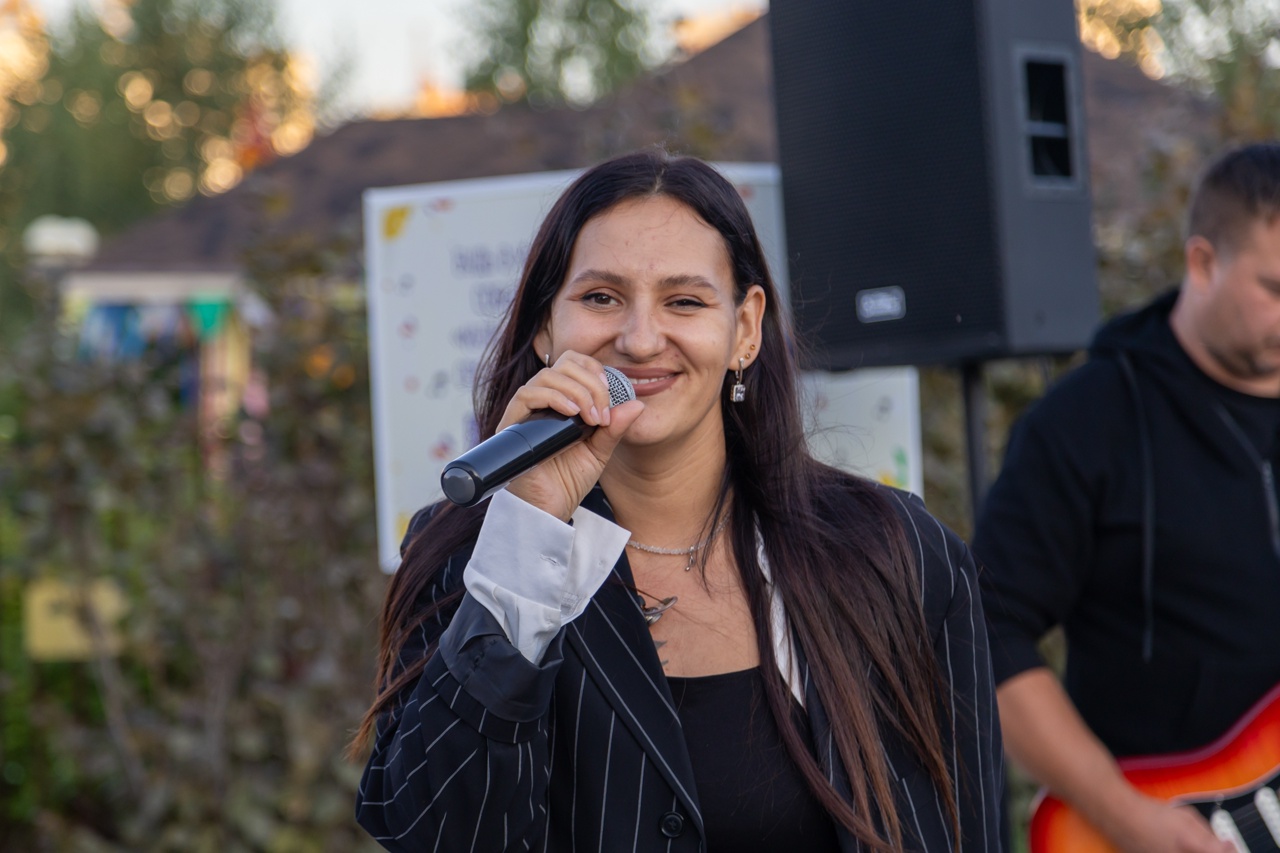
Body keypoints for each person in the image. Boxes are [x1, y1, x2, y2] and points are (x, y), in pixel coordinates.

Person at [351, 149, 1002, 852]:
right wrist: (528, 529)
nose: (639, 339)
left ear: (745, 330)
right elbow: (430, 831)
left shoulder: (898, 554)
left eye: (684, 301)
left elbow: (969, 828)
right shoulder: (470, 556)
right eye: (601, 298)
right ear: (544, 327)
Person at [974, 141, 1280, 852]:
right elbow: (986, 632)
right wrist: (1122, 814)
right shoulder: (1086, 421)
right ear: (1202, 262)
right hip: (1154, 826)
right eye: (1274, 288)